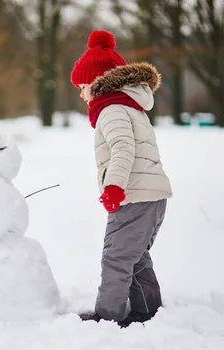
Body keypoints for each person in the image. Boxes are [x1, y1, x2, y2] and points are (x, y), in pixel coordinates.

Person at [71, 30, 172, 327]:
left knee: (116, 257)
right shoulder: (129, 105)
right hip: (152, 195)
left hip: (134, 194)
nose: (81, 93)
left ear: (99, 82)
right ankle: (148, 311)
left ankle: (107, 316)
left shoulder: (111, 109)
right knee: (135, 257)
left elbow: (123, 148)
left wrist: (114, 186)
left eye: (83, 85)